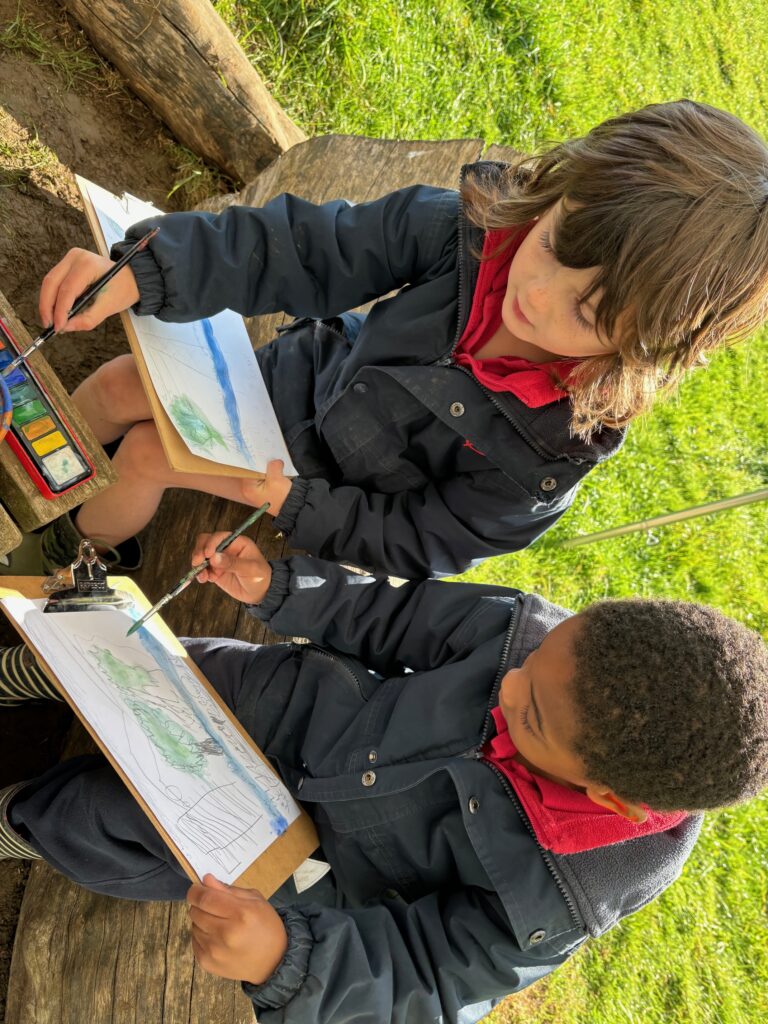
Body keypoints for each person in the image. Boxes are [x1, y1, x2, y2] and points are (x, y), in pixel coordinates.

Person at [1, 538, 767, 1022]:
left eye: (529, 717)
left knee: (94, 819)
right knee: (106, 657)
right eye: (533, 659)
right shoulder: (530, 641)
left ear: (607, 798)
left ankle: (18, 823)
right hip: (288, 703)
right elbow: (395, 617)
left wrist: (284, 960)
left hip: (290, 862)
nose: (507, 688)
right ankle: (23, 671)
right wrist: (283, 589)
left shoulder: (563, 899)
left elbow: (429, 982)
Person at [32, 99, 768, 578]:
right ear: (559, 190)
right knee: (116, 385)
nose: (533, 296)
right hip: (304, 377)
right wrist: (150, 269)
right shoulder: (470, 231)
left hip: (321, 492)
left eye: (588, 314)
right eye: (551, 244)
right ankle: (30, 487)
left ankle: (64, 560)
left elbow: (425, 540)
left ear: (648, 349)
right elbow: (306, 248)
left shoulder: (551, 453)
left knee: (146, 453)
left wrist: (297, 505)